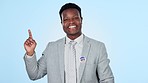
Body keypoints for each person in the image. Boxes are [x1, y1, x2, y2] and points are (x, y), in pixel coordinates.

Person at [24, 3, 114, 83]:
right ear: (62, 23)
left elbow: (107, 79)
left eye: (75, 18)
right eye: (66, 19)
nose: (71, 22)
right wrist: (30, 52)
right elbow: (34, 75)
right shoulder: (51, 48)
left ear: (81, 19)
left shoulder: (97, 47)